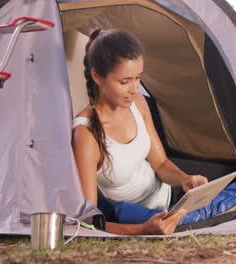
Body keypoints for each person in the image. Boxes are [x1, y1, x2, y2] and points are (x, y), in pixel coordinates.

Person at [71, 29, 209, 235]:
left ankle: (185, 212)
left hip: (168, 197)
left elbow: (160, 164)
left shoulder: (137, 102)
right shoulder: (86, 132)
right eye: (124, 81)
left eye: (138, 78)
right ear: (97, 76)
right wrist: (142, 230)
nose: (134, 88)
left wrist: (184, 179)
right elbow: (87, 221)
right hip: (132, 213)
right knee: (210, 210)